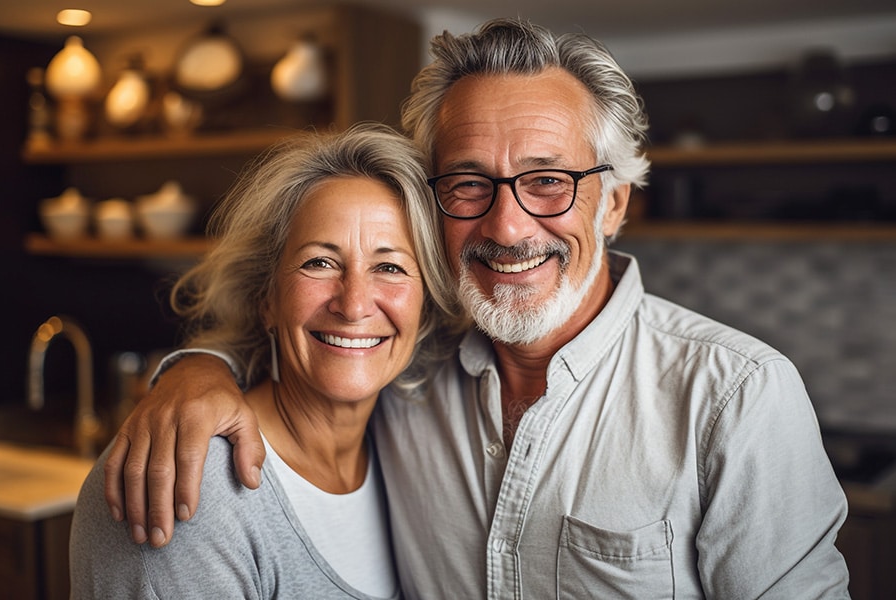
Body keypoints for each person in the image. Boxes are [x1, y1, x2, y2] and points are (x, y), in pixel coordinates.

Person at [104, 19, 851, 598]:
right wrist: (195, 374)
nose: (508, 226)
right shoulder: (410, 367)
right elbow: (319, 333)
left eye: (548, 180)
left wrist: (191, 371)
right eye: (468, 183)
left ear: (614, 202)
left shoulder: (735, 397)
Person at [70, 123, 463, 598]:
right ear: (267, 299)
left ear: (425, 311)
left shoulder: (408, 446)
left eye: (390, 267)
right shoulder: (189, 484)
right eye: (320, 262)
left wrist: (198, 365)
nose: (354, 303)